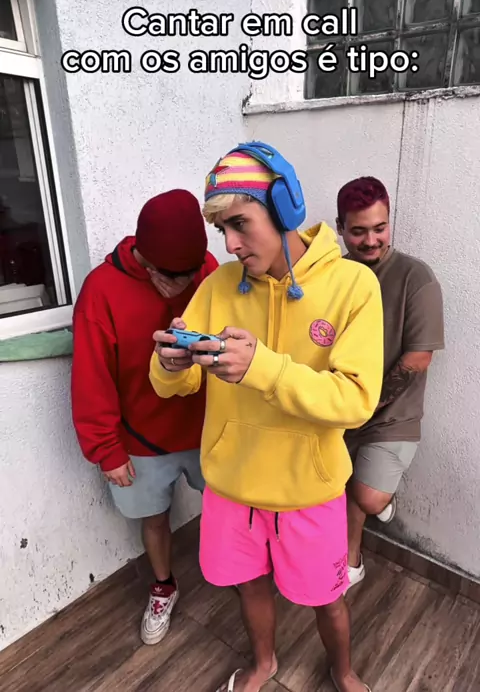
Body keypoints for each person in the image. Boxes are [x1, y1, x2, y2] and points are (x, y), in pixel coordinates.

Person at [149, 143, 384, 692]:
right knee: (249, 588)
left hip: (310, 490)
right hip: (232, 488)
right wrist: (169, 364)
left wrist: (264, 368)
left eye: (239, 224)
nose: (229, 244)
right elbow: (175, 385)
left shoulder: (353, 287)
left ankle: (343, 671)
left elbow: (355, 400)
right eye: (221, 230)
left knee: (328, 598)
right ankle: (263, 665)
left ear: (284, 207)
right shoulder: (218, 286)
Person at [71, 189, 218, 645]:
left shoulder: (207, 272)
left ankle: (235, 573)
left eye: (193, 271)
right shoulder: (101, 290)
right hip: (140, 436)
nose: (186, 283)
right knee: (154, 519)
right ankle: (163, 586)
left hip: (209, 428)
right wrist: (106, 449)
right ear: (147, 260)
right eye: (175, 276)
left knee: (226, 508)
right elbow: (91, 376)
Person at [335, 176, 444, 590]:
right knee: (331, 485)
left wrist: (366, 405)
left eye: (379, 228)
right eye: (358, 230)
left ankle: (380, 499)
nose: (370, 240)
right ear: (340, 228)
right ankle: (350, 558)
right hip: (337, 405)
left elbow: (418, 359)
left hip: (391, 414)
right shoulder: (333, 274)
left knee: (366, 496)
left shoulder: (416, 277)